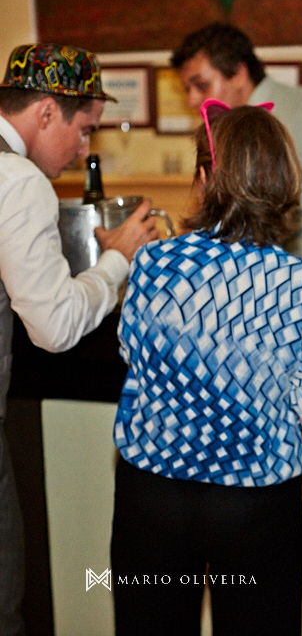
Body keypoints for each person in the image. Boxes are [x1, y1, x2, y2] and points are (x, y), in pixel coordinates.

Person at [109, 101, 302, 636]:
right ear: (282, 181)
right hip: (254, 507)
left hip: (153, 498)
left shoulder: (154, 263)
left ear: (205, 178)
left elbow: (132, 354)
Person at [0, 42, 158, 636]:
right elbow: (57, 327)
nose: (86, 148)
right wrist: (116, 260)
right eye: (85, 129)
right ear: (45, 112)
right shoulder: (18, 180)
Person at [171, 22, 302, 271]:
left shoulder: (261, 132)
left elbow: (250, 227)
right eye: (187, 89)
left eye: (201, 85)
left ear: (239, 74)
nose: (192, 100)